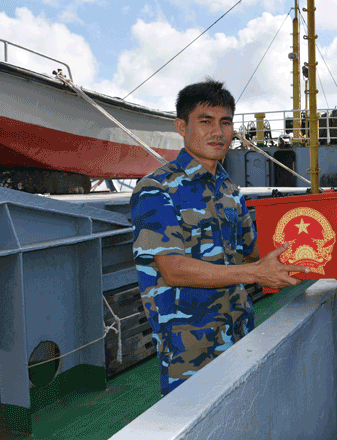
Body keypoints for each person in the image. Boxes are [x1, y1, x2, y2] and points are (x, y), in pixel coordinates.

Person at [131, 78, 309, 396]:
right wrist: (255, 273)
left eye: (225, 122)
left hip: (239, 329)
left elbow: (252, 251)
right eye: (206, 121)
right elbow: (172, 268)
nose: (218, 132)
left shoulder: (228, 189)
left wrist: (322, 245)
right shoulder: (153, 190)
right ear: (181, 126)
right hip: (189, 346)